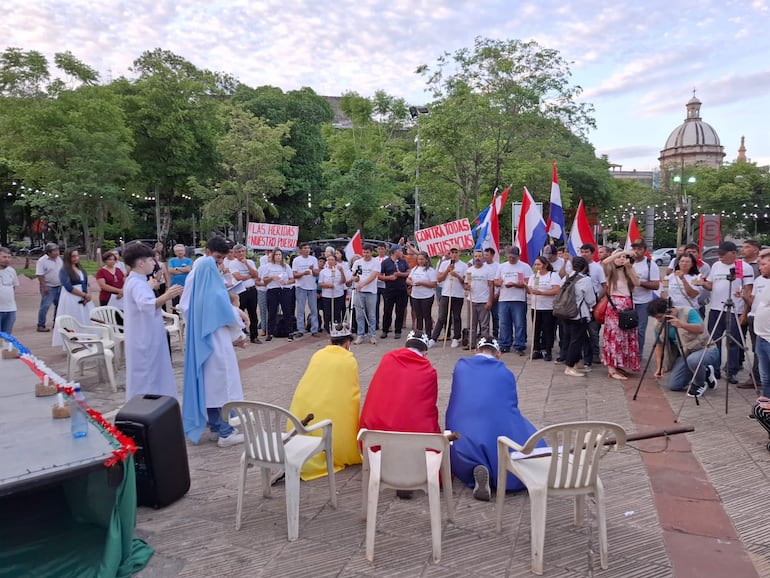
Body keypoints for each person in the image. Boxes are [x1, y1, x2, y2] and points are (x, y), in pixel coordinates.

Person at [445, 336, 545, 500]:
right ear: (498, 354)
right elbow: (510, 407)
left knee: (455, 429)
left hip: (462, 434)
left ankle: (475, 466)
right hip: (496, 433)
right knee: (524, 432)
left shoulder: (460, 366)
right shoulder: (506, 373)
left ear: (476, 351)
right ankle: (502, 468)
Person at [179, 236, 244, 447]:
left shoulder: (198, 274)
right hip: (216, 339)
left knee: (210, 385)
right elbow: (225, 310)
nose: (220, 264)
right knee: (224, 384)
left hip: (201, 338)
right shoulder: (208, 274)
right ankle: (226, 432)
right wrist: (240, 334)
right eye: (218, 259)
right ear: (208, 253)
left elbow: (186, 306)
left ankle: (216, 427)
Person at [288, 322, 361, 481]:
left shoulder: (317, 355)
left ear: (330, 342)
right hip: (326, 422)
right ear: (347, 343)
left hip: (303, 418)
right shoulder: (349, 360)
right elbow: (350, 395)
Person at [122, 242, 183, 401]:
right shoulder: (136, 283)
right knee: (148, 376)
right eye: (150, 260)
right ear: (141, 263)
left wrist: (151, 286)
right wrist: (167, 295)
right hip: (144, 339)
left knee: (155, 373)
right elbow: (147, 304)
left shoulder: (138, 280)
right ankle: (147, 408)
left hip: (146, 335)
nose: (153, 263)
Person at [359, 331, 439, 435]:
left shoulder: (387, 359)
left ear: (406, 347)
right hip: (416, 443)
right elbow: (429, 409)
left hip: (378, 441)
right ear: (425, 353)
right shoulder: (429, 372)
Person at [699, 241, 754, 384]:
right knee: (714, 340)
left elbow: (748, 290)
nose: (720, 257)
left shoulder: (744, 267)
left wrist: (744, 313)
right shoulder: (716, 265)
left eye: (723, 254)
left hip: (735, 309)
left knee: (733, 341)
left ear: (733, 254)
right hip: (716, 308)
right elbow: (711, 285)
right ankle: (715, 369)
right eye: (719, 254)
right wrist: (702, 283)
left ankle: (732, 371)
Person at [648, 297, 719, 398]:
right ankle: (706, 372)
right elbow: (658, 345)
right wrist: (659, 368)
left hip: (705, 349)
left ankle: (699, 383)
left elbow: (700, 329)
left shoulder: (688, 312)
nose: (658, 320)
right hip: (685, 353)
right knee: (674, 385)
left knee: (693, 360)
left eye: (660, 317)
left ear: (668, 311)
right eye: (655, 318)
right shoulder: (659, 325)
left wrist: (681, 324)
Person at [601, 248, 641, 380]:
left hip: (628, 305)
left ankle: (620, 364)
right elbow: (605, 262)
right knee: (614, 337)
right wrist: (620, 253)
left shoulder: (627, 271)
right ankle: (611, 368)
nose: (621, 259)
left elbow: (637, 283)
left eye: (624, 257)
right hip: (615, 306)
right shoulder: (609, 271)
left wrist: (629, 267)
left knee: (627, 336)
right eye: (618, 257)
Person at [52, 248, 95, 348]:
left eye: (77, 256)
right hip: (72, 297)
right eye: (73, 256)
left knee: (85, 317)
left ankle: (87, 339)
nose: (76, 258)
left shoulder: (80, 269)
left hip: (84, 294)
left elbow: (86, 282)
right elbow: (68, 287)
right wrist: (83, 295)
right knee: (74, 318)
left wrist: (88, 293)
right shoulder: (64, 270)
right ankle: (74, 343)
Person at [562, 257, 597, 377]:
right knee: (576, 341)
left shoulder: (567, 278)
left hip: (565, 313)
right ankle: (569, 366)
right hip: (579, 314)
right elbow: (591, 299)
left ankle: (576, 363)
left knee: (577, 338)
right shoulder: (585, 280)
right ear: (585, 267)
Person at [495, 246, 531, 354]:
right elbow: (496, 281)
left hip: (518, 299)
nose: (511, 259)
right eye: (510, 257)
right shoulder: (502, 267)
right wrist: (499, 282)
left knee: (519, 323)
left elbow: (528, 282)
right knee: (504, 323)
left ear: (518, 256)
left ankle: (519, 345)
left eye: (514, 257)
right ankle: (505, 344)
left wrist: (516, 284)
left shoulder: (525, 267)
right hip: (504, 298)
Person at [430, 246, 467, 348]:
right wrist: (447, 270)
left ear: (459, 253)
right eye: (452, 252)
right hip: (446, 294)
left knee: (456, 317)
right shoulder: (445, 264)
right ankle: (433, 338)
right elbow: (439, 279)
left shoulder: (464, 266)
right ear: (450, 253)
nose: (454, 254)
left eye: (456, 252)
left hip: (458, 294)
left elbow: (465, 281)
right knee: (442, 317)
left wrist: (457, 276)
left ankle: (456, 337)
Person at [527, 256, 562, 361]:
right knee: (536, 329)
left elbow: (556, 290)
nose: (537, 267)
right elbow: (530, 289)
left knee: (548, 330)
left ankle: (548, 350)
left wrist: (542, 293)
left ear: (545, 265)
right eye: (536, 264)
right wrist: (528, 289)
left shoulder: (552, 275)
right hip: (536, 307)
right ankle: (536, 349)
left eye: (539, 264)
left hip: (548, 307)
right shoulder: (534, 277)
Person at [629, 239, 660, 356]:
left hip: (643, 302)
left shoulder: (650, 264)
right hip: (628, 300)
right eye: (634, 248)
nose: (636, 251)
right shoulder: (628, 262)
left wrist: (639, 283)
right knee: (627, 329)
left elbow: (656, 285)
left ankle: (637, 354)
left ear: (645, 250)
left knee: (640, 330)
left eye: (639, 249)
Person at [261, 248, 296, 341]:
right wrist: (272, 277)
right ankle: (270, 332)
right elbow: (264, 280)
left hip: (284, 290)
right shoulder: (268, 267)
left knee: (287, 311)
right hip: (273, 290)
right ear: (273, 256)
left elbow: (292, 279)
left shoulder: (286, 266)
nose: (278, 256)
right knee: (272, 312)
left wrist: (286, 282)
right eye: (276, 255)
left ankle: (290, 332)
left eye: (280, 255)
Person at [228, 244, 261, 344]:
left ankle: (254, 336)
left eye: (243, 251)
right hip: (239, 291)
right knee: (238, 313)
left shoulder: (250, 262)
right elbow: (238, 277)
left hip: (251, 290)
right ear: (234, 254)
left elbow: (256, 275)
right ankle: (238, 337)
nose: (241, 254)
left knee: (253, 313)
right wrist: (249, 276)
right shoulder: (233, 264)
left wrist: (247, 264)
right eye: (239, 252)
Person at [464, 250, 494, 350]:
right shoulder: (470, 270)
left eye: (480, 256)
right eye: (476, 256)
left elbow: (491, 286)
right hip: (472, 300)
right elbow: (466, 283)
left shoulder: (488, 270)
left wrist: (490, 301)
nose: (478, 258)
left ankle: (483, 345)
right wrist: (466, 287)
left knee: (484, 325)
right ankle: (471, 343)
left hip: (484, 300)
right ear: (473, 258)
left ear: (483, 258)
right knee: (472, 324)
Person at [351, 244, 381, 345]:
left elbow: (373, 276)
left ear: (371, 252)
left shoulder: (376, 263)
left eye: (367, 252)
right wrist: (355, 279)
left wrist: (362, 284)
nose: (365, 254)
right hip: (359, 292)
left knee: (371, 315)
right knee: (359, 315)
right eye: (364, 252)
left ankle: (372, 335)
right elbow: (355, 275)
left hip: (371, 292)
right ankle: (360, 335)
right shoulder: (357, 262)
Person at [379, 245, 410, 339]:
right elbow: (379, 276)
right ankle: (385, 330)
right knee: (387, 311)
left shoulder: (403, 261)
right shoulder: (385, 262)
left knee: (400, 311)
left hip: (402, 290)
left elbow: (409, 272)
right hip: (389, 290)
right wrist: (389, 278)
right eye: (400, 251)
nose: (401, 253)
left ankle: (398, 330)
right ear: (394, 252)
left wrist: (401, 274)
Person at [751, 250, 770, 398]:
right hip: (761, 336)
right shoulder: (764, 282)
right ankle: (766, 405)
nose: (760, 267)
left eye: (763, 264)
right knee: (765, 377)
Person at [406, 250, 437, 338]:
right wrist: (410, 282)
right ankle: (419, 334)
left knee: (426, 315)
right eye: (419, 259)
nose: (420, 261)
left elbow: (434, 284)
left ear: (426, 260)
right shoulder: (415, 269)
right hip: (415, 295)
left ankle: (428, 335)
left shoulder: (430, 270)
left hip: (426, 296)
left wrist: (423, 283)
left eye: (422, 259)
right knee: (418, 316)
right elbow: (408, 279)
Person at [292, 242, 320, 337]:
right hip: (301, 287)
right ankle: (300, 329)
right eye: (305, 248)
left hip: (312, 287)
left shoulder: (313, 259)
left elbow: (317, 273)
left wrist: (312, 270)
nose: (307, 250)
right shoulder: (296, 260)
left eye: (308, 248)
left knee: (314, 309)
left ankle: (314, 329)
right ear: (300, 250)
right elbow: (294, 274)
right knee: (300, 309)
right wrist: (303, 273)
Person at [35, 242, 62, 332]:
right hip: (48, 286)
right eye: (54, 251)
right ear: (49, 252)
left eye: (57, 250)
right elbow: (40, 275)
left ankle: (57, 323)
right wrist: (44, 286)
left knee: (59, 305)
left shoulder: (59, 259)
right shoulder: (42, 261)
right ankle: (41, 325)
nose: (57, 252)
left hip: (59, 286)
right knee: (45, 306)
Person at [318, 254, 347, 334]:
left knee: (337, 312)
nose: (330, 261)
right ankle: (328, 327)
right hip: (327, 295)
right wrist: (327, 285)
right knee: (327, 312)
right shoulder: (323, 271)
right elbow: (320, 283)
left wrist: (341, 272)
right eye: (329, 260)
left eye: (332, 260)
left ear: (335, 261)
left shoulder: (339, 270)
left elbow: (343, 281)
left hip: (338, 294)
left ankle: (337, 327)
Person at [0, 247, 19, 334]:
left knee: (7, 337)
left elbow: (13, 287)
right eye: (4, 257)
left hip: (10, 309)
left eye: (9, 257)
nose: (7, 259)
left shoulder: (12, 271)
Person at [484, 247, 501, 338]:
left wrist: (497, 295)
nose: (485, 257)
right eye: (485, 255)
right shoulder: (483, 266)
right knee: (484, 317)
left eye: (487, 255)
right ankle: (484, 334)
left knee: (496, 316)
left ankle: (496, 334)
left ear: (492, 255)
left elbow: (500, 282)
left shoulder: (498, 266)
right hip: (485, 296)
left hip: (496, 296)